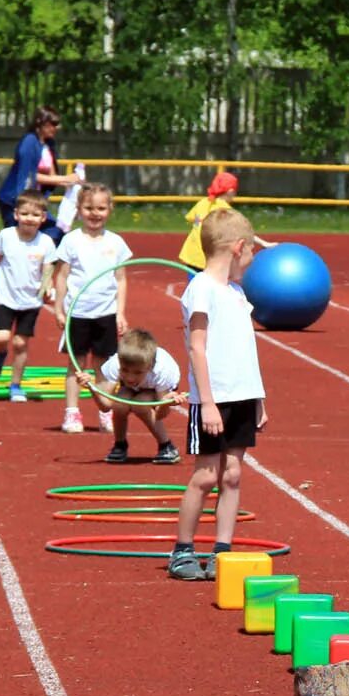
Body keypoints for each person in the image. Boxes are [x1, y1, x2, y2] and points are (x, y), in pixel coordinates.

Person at [168, 209, 265, 580]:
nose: (252, 259)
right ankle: (183, 550)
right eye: (252, 251)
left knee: (233, 474)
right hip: (213, 400)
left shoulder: (237, 293)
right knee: (206, 476)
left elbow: (246, 349)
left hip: (242, 397)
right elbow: (197, 347)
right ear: (239, 247)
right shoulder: (201, 289)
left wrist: (259, 399)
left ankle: (222, 551)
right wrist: (206, 402)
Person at [49, 183, 133, 434]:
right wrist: (59, 309)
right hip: (78, 313)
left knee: (103, 366)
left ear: (109, 209)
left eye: (100, 208)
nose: (95, 213)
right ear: (78, 209)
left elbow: (121, 279)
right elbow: (61, 277)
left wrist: (120, 312)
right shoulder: (71, 240)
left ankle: (104, 410)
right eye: (88, 208)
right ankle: (72, 412)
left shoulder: (116, 242)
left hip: (105, 313)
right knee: (76, 366)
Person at [0, 189, 57, 400]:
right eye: (25, 214)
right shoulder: (6, 236)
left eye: (35, 215)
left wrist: (47, 288)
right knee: (1, 337)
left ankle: (15, 385)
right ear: (16, 214)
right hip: (7, 298)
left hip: (31, 302)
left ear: (43, 218)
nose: (30, 219)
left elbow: (48, 269)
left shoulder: (46, 242)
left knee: (21, 343)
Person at [79, 328, 184, 465]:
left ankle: (166, 445)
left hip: (154, 389)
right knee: (120, 403)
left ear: (149, 366)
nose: (130, 377)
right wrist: (91, 388)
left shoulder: (163, 370)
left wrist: (165, 403)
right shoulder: (115, 363)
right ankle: (120, 444)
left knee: (140, 404)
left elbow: (160, 414)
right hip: (135, 387)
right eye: (125, 370)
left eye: (137, 372)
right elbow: (105, 406)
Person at [0, 106, 83, 243]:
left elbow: (52, 176)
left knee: (56, 235)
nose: (56, 127)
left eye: (57, 124)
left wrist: (72, 182)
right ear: (39, 122)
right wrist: (65, 178)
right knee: (16, 241)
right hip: (15, 199)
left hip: (34, 200)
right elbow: (28, 176)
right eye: (53, 124)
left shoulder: (48, 144)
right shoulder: (29, 142)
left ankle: (47, 263)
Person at [179, 171, 238, 271]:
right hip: (208, 258)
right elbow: (241, 230)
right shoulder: (226, 211)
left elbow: (192, 219)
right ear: (230, 191)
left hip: (192, 254)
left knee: (194, 283)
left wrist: (199, 223)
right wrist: (263, 243)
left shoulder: (203, 202)